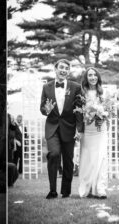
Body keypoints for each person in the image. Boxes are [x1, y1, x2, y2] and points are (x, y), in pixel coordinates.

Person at [40, 59, 83, 199]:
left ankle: (66, 191)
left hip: (69, 128)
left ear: (68, 71)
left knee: (68, 160)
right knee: (53, 154)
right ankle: (53, 190)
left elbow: (79, 110)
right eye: (61, 67)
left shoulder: (76, 87)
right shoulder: (46, 87)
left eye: (66, 68)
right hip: (52, 127)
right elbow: (42, 108)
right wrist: (46, 109)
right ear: (55, 69)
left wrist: (79, 129)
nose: (64, 70)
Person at [78, 67, 108, 199]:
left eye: (95, 75)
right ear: (86, 77)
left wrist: (103, 117)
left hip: (101, 129)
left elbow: (109, 109)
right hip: (88, 130)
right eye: (90, 75)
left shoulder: (103, 92)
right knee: (88, 160)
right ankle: (88, 188)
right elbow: (78, 112)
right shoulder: (81, 93)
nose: (93, 77)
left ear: (98, 77)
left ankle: (100, 189)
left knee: (101, 158)